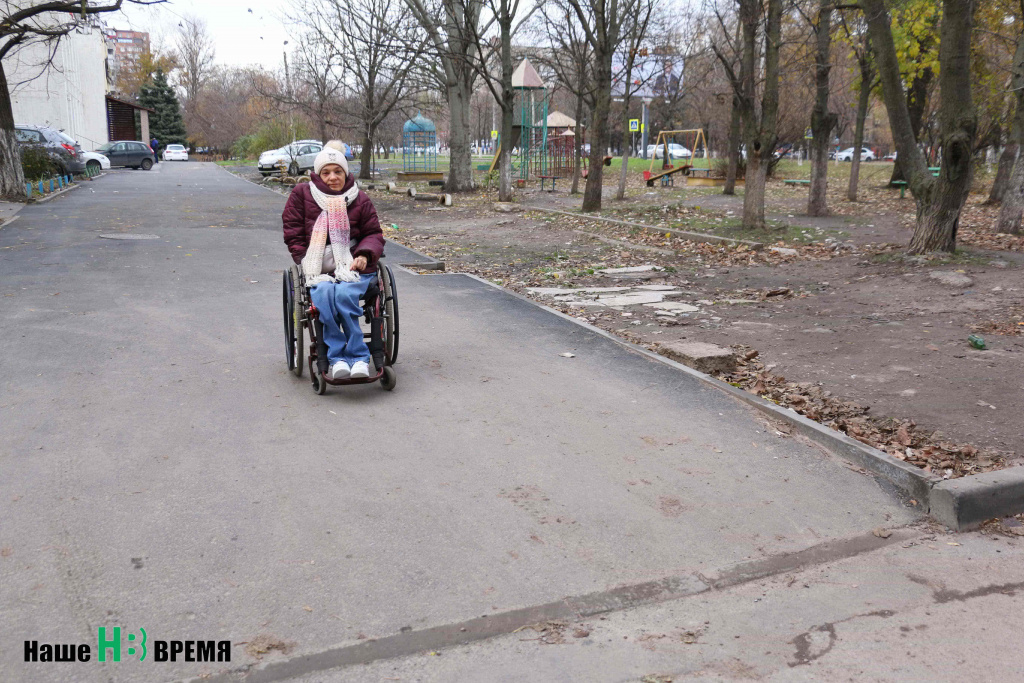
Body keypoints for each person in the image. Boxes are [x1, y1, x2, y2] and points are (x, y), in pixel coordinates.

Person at [282, 144, 384, 380]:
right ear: (317, 174)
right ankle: (337, 357)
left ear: (346, 173)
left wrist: (364, 255)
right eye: (326, 172)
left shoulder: (360, 198)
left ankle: (358, 358)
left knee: (344, 295)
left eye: (338, 171)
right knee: (325, 296)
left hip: (353, 267)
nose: (332, 177)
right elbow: (293, 232)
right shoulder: (302, 195)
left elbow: (374, 233)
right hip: (318, 270)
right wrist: (307, 260)